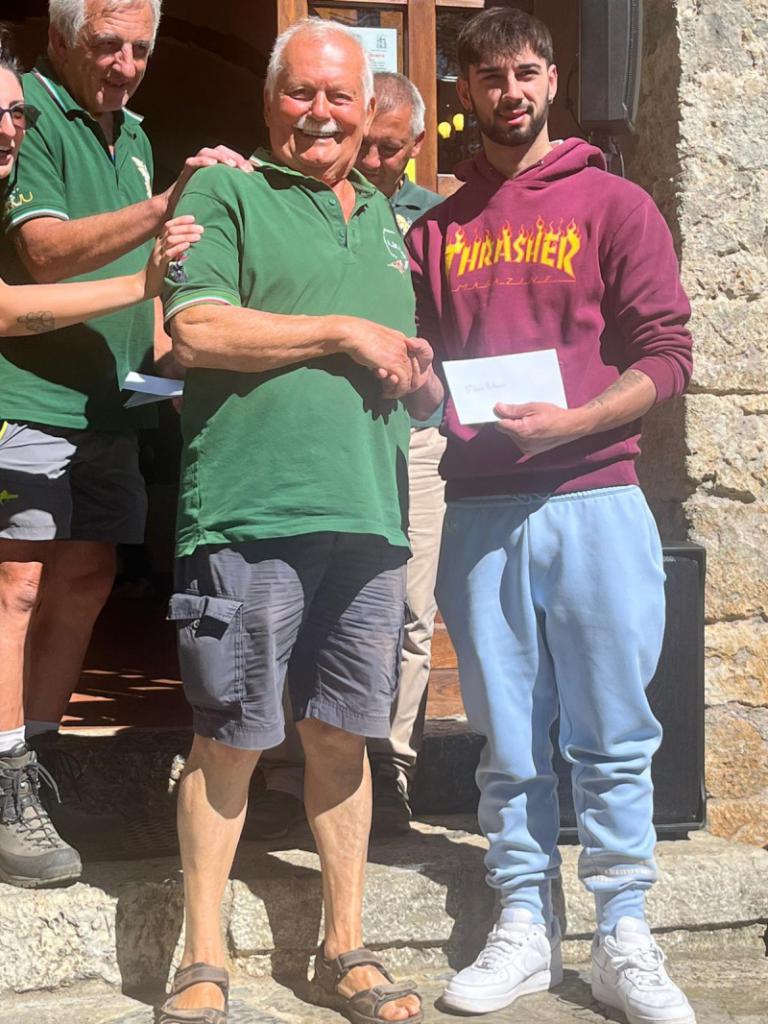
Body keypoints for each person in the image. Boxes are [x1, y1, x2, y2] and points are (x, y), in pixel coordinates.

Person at [406, 9, 696, 1024]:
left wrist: (574, 421)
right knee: (509, 739)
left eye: (526, 72)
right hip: (482, 508)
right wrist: (413, 380)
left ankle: (625, 930)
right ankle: (525, 920)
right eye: (490, 78)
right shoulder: (436, 230)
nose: (511, 93)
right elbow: (424, 376)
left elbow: (666, 356)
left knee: (615, 732)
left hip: (597, 496)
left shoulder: (616, 205)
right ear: (465, 91)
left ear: (553, 78)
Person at [160, 18, 440, 1024]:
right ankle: (201, 955)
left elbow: (406, 366)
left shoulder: (389, 218)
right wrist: (344, 330)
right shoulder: (224, 192)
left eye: (339, 96)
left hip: (369, 515)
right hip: (250, 512)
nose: (320, 114)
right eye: (300, 92)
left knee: (343, 736)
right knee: (231, 736)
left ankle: (344, 948)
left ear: (368, 110)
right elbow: (195, 326)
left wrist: (418, 376)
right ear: (269, 99)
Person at [0, 0, 251, 884]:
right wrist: (161, 207)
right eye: (108, 44)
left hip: (110, 405)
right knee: (16, 586)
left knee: (86, 578)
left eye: (141, 48)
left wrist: (178, 368)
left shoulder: (134, 132)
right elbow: (44, 253)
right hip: (25, 398)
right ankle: (4, 779)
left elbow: (147, 285)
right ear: (60, 39)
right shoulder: (25, 114)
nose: (126, 63)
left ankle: (39, 755)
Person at [252, 71, 445, 838]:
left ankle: (388, 762)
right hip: (319, 434)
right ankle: (283, 766)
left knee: (409, 610)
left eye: (391, 149)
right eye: (369, 144)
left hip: (412, 432)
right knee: (296, 598)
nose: (373, 161)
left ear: (417, 144)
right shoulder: (290, 198)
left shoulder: (435, 220)